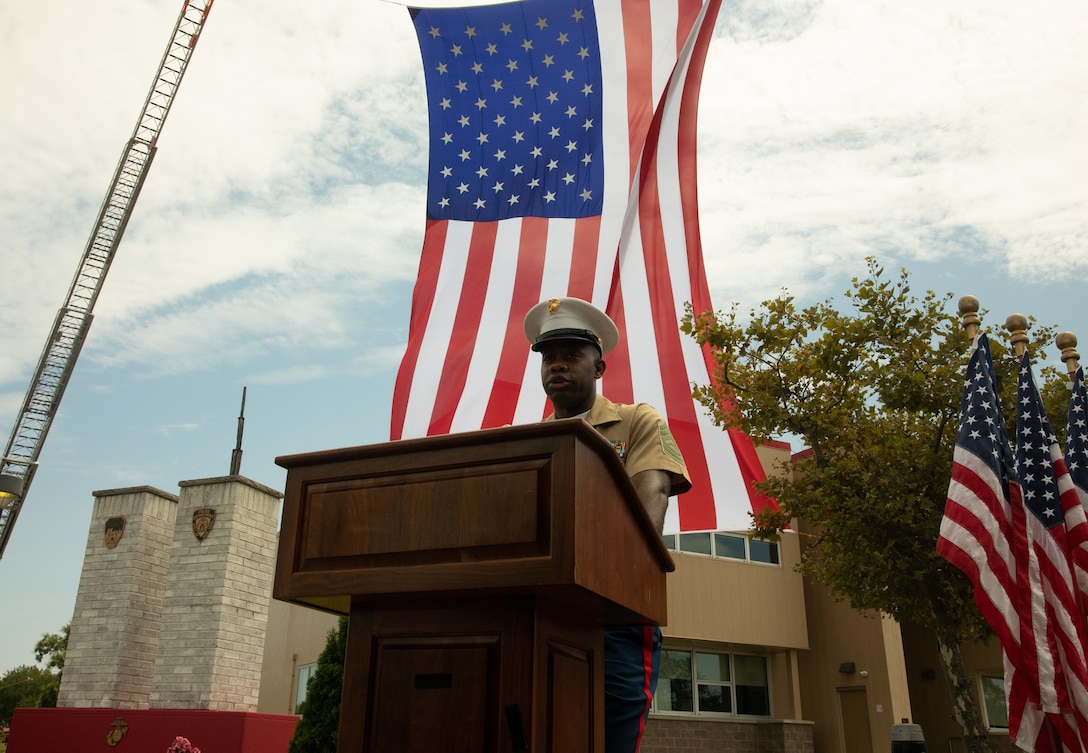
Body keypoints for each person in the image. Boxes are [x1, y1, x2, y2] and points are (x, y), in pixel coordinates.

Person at [523, 296, 691, 753]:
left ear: (598, 369)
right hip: (545, 608)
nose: (557, 365)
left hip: (613, 611)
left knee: (607, 737)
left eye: (571, 356)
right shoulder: (528, 441)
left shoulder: (635, 421)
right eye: (548, 357)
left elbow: (651, 496)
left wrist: (613, 579)